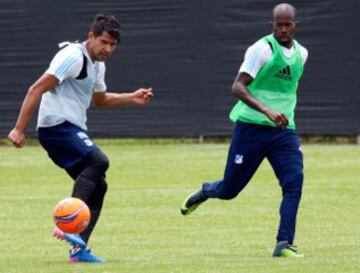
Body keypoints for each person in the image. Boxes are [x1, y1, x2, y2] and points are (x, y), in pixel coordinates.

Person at [8, 13, 153, 263]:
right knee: (99, 161)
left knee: (99, 185)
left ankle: (78, 250)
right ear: (91, 37)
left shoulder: (98, 65)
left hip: (71, 128)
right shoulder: (72, 56)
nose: (107, 49)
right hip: (56, 127)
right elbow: (36, 88)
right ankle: (66, 223)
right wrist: (19, 128)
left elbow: (100, 100)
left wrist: (131, 97)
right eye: (104, 42)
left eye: (113, 45)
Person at [181, 3, 308, 258]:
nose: (283, 29)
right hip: (251, 128)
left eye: (288, 24)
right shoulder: (261, 49)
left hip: (283, 131)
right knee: (229, 190)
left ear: (296, 25)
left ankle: (284, 243)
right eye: (278, 24)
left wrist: (281, 117)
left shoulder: (302, 54)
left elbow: (286, 92)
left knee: (294, 182)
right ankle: (206, 191)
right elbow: (238, 87)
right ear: (271, 25)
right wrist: (267, 111)